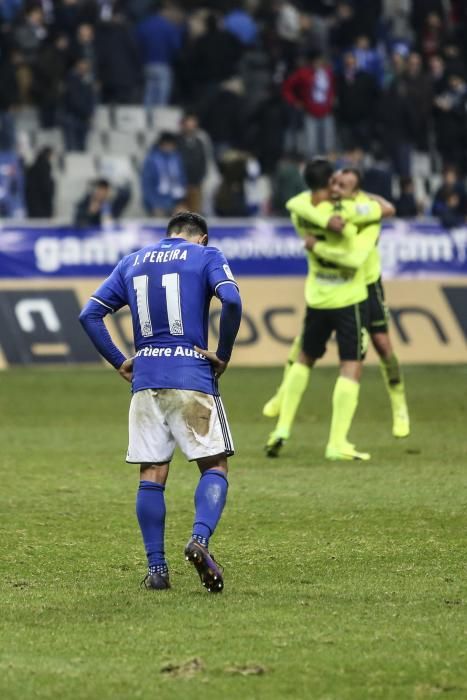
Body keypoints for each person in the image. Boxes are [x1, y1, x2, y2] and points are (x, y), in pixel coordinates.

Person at [79, 211, 242, 592]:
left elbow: (90, 314)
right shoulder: (207, 255)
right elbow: (231, 301)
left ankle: (157, 570)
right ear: (199, 238)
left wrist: (121, 361)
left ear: (169, 234)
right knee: (214, 464)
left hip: (146, 378)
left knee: (151, 474)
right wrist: (224, 353)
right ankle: (199, 541)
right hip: (191, 374)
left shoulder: (132, 261)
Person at [264, 166, 410, 443]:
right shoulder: (322, 209)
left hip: (366, 284)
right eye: (336, 183)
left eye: (345, 185)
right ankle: (282, 396)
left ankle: (399, 404)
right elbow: (295, 202)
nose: (337, 189)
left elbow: (387, 209)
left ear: (356, 191)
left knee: (383, 346)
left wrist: (317, 241)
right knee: (302, 344)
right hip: (338, 288)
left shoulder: (362, 211)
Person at [141, 132, 187, 216]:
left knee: (184, 219)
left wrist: (180, 202)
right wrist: (154, 205)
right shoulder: (151, 160)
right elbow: (147, 186)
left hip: (174, 201)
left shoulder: (177, 159)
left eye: (172, 145)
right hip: (156, 202)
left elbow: (182, 180)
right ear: (161, 145)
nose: (169, 147)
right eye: (167, 145)